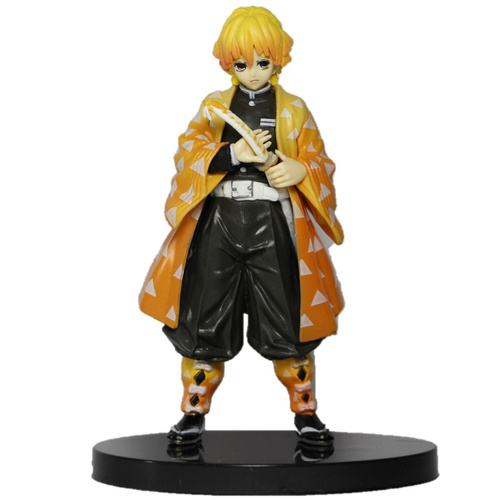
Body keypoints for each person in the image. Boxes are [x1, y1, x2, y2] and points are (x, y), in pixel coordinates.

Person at [139, 6, 344, 446]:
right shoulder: (214, 107)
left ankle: (305, 411)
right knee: (203, 316)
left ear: (278, 59)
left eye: (262, 62)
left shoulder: (294, 109)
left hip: (274, 223)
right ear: (227, 63)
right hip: (220, 222)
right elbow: (188, 153)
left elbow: (319, 160)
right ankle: (193, 411)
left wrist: (298, 169)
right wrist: (232, 155)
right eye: (241, 64)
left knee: (290, 317)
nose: (253, 72)